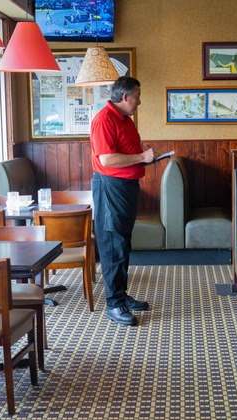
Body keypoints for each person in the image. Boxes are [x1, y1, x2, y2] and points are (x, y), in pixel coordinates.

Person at [90, 76, 156, 326]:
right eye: (137, 96)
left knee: (122, 244)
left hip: (125, 187)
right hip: (110, 187)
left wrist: (142, 159)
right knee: (112, 246)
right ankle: (114, 304)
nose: (139, 101)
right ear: (125, 96)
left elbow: (124, 153)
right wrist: (141, 156)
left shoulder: (124, 119)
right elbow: (107, 160)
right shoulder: (104, 119)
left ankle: (121, 296)